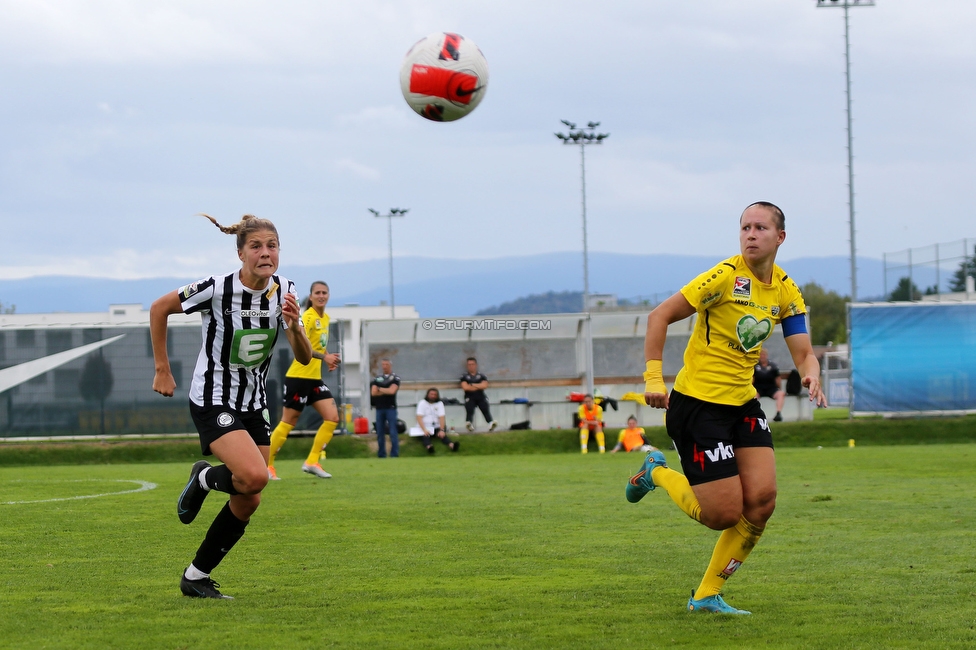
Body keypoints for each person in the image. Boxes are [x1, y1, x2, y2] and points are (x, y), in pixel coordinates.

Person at [625, 201, 826, 615]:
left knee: (762, 502)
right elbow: (659, 317)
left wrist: (811, 374)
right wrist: (652, 378)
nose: (750, 234)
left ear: (780, 238)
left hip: (743, 404)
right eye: (745, 227)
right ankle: (656, 472)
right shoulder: (723, 277)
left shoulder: (785, 289)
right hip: (698, 406)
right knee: (722, 514)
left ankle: (705, 595)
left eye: (760, 228)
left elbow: (804, 351)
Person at [150, 214, 312, 599]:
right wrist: (162, 368)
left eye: (271, 245)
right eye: (256, 246)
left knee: (249, 496)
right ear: (240, 252)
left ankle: (195, 576)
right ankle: (204, 479)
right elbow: (159, 308)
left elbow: (304, 356)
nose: (265, 253)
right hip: (212, 397)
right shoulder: (216, 288)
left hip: (253, 403)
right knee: (256, 477)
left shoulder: (285, 290)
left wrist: (294, 326)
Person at [267, 281, 342, 480]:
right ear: (311, 296)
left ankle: (312, 461)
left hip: (314, 379)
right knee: (287, 423)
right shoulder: (307, 317)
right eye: (317, 292)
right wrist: (324, 357)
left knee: (332, 417)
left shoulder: (325, 318)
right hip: (299, 377)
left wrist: (327, 357)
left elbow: (317, 344)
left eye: (324, 292)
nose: (321, 296)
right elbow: (302, 345)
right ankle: (267, 465)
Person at [370, 358, 400, 458]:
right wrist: (384, 390)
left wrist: (379, 389)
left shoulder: (395, 378)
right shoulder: (377, 378)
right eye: (383, 364)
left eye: (386, 364)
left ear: (390, 365)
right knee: (380, 432)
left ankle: (394, 454)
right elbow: (373, 392)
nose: (384, 366)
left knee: (392, 431)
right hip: (379, 408)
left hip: (390, 408)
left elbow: (392, 391)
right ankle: (381, 454)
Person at [415, 387, 459, 454]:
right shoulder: (422, 403)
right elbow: (419, 417)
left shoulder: (439, 403)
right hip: (424, 427)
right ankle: (429, 447)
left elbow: (441, 417)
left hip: (435, 426)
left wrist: (442, 430)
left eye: (434, 395)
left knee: (442, 435)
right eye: (431, 394)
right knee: (425, 436)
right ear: (427, 395)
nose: (433, 396)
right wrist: (424, 429)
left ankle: (451, 445)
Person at [460, 357, 497, 431]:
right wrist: (478, 385)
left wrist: (472, 385)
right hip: (469, 396)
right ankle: (469, 424)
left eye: (472, 364)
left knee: (485, 408)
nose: (471, 366)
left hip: (480, 395)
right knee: (469, 408)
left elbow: (484, 386)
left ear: (476, 365)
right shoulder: (464, 376)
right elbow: (466, 387)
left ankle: (490, 423)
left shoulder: (481, 375)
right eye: (469, 364)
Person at [753, 349, 786, 422]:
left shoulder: (773, 366)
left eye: (764, 355)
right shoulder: (755, 366)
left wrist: (779, 388)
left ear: (766, 356)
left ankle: (778, 413)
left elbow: (777, 378)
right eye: (760, 355)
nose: (762, 357)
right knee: (752, 396)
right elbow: (752, 379)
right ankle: (754, 415)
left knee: (781, 394)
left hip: (771, 388)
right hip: (758, 388)